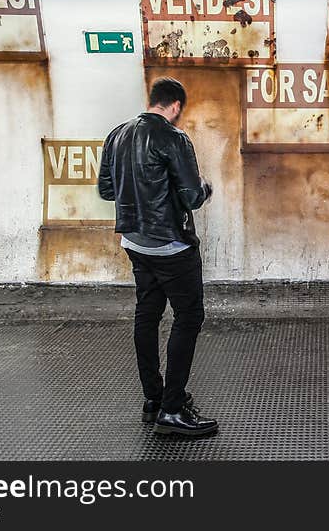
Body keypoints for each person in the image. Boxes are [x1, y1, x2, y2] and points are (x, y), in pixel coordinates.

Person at [98, 77, 218, 436]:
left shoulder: (117, 134)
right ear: (176, 106)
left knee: (147, 315)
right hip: (170, 245)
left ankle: (153, 399)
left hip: (134, 243)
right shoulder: (173, 138)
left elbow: (106, 190)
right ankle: (172, 408)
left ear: (152, 100)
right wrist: (205, 189)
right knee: (189, 316)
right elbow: (192, 196)